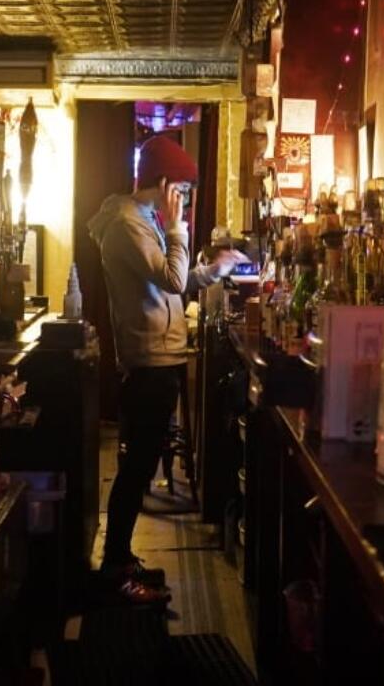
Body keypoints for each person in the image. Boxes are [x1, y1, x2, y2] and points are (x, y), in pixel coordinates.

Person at [87, 135, 243, 605]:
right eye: (183, 191)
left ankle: (121, 559)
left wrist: (213, 270)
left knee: (138, 465)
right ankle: (115, 567)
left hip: (162, 358)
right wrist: (178, 232)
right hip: (149, 362)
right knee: (136, 469)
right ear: (162, 183)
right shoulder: (126, 224)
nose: (186, 202)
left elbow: (175, 283)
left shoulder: (142, 221)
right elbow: (172, 278)